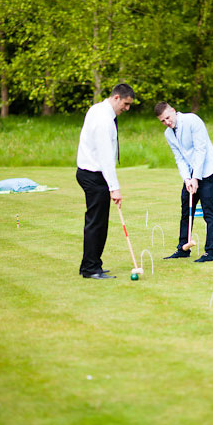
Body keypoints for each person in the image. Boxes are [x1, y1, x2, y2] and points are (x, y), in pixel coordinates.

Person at [75, 83, 135, 279]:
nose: (127, 108)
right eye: (125, 104)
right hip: (94, 174)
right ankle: (90, 268)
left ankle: (93, 263)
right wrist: (114, 188)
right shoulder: (104, 120)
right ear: (116, 98)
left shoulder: (99, 109)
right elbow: (105, 157)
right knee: (96, 223)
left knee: (99, 222)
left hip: (89, 172)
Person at [154, 102, 213, 262]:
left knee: (208, 210)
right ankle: (183, 248)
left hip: (206, 170)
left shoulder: (192, 120)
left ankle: (210, 252)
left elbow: (201, 150)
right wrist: (187, 179)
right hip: (190, 172)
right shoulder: (168, 134)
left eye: (168, 118)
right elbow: (179, 158)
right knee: (186, 208)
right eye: (163, 121)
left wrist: (196, 177)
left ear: (173, 111)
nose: (167, 123)